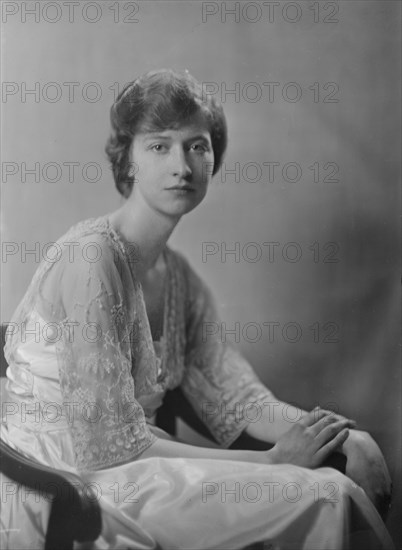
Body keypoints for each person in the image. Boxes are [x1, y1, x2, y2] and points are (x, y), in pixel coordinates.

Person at [0, 69, 393, 550]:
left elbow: (239, 397)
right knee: (321, 495)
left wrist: (348, 439)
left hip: (137, 466)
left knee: (330, 488)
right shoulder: (91, 258)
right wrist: (271, 462)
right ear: (128, 162)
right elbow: (104, 448)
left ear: (213, 161)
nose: (181, 166)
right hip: (65, 480)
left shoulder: (179, 277)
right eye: (159, 146)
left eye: (197, 146)